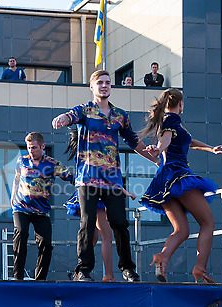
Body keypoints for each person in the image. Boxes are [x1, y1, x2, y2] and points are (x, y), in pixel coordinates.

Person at [52, 70, 159, 282]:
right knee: (87, 222)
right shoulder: (84, 110)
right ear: (92, 87)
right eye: (99, 82)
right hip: (87, 178)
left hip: (112, 180)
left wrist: (153, 158)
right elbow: (70, 116)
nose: (104, 86)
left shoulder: (120, 115)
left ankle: (127, 268)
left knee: (119, 223)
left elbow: (132, 140)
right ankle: (84, 270)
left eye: (108, 83)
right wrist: (63, 118)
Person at [139, 88, 222, 283]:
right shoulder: (171, 120)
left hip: (165, 180)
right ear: (181, 104)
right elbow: (166, 140)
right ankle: (200, 268)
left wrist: (210, 148)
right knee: (208, 223)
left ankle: (162, 258)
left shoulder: (172, 123)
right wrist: (159, 149)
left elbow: (188, 141)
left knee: (182, 230)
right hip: (178, 176)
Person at [63, 128, 137, 282]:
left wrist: (124, 191)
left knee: (93, 236)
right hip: (95, 196)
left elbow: (108, 177)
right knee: (104, 235)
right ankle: (107, 275)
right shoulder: (89, 154)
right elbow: (103, 176)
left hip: (97, 193)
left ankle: (82, 271)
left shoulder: (88, 154)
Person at [11, 132, 73, 280]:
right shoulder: (21, 161)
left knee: (45, 243)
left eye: (34, 148)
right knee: (21, 233)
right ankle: (17, 276)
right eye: (28, 148)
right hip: (21, 207)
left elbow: (70, 177)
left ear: (42, 146)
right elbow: (16, 180)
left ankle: (40, 279)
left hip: (41, 211)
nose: (31, 151)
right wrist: (12, 200)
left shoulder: (53, 164)